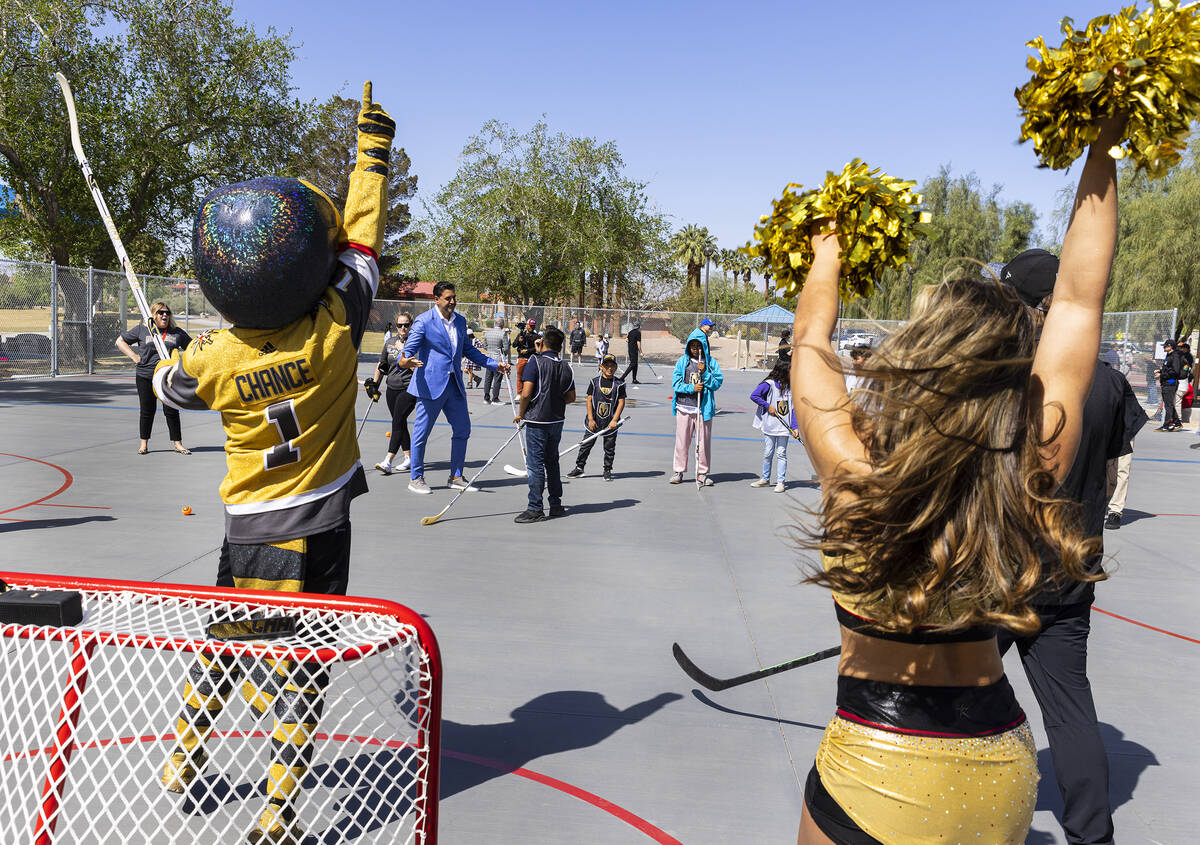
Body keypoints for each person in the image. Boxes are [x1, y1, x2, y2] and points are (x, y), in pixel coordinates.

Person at [790, 114, 1121, 845]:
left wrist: (828, 250)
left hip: (878, 764)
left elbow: (810, 341)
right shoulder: (1028, 473)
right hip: (996, 763)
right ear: (1014, 377)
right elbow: (1075, 302)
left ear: (916, 358)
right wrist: (1104, 146)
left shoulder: (854, 477)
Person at [152, 82, 394, 842]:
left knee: (229, 642)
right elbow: (360, 246)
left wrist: (166, 355)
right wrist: (372, 157)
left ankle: (186, 754)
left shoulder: (214, 360)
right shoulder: (333, 330)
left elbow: (170, 383)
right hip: (318, 524)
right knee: (304, 663)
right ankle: (278, 807)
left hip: (248, 527)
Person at [997, 248, 1146, 844]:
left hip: (1002, 568)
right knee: (1070, 710)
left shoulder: (1010, 374)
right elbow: (1109, 474)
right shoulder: (1107, 382)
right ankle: (1092, 834)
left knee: (955, 691)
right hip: (1074, 563)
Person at [404, 283, 511, 494]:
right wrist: (404, 361)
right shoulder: (424, 321)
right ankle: (416, 478)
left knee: (463, 429)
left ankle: (456, 476)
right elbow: (409, 349)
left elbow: (468, 350)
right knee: (421, 433)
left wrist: (493, 364)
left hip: (454, 385)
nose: (452, 301)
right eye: (447, 298)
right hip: (430, 386)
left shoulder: (460, 322)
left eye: (454, 297)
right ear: (436, 299)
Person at [513, 327, 576, 523]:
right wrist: (554, 402)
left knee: (535, 465)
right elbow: (571, 397)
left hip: (537, 420)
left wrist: (521, 413)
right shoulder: (566, 367)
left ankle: (535, 508)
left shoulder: (536, 362)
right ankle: (555, 504)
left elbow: (526, 393)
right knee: (552, 461)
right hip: (556, 420)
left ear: (543, 343)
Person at [116, 301, 192, 455]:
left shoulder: (176, 333)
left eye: (167, 313)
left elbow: (192, 348)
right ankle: (143, 445)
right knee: (147, 410)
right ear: (153, 315)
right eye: (160, 312)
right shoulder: (142, 330)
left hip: (168, 378)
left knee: (171, 410)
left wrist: (183, 366)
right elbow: (120, 341)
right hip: (145, 376)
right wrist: (134, 356)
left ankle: (178, 444)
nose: (164, 315)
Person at [367, 311, 418, 475]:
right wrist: (375, 384)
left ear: (411, 325)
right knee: (400, 423)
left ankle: (388, 460)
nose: (403, 328)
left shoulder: (416, 343)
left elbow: (416, 367)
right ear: (396, 326)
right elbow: (382, 364)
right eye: (400, 325)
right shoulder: (390, 342)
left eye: (406, 325)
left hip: (409, 388)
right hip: (392, 387)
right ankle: (409, 458)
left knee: (397, 421)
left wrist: (403, 351)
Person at [670, 328, 723, 485]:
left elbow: (717, 383)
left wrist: (705, 372)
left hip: (703, 409)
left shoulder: (711, 363)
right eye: (692, 346)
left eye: (699, 345)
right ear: (688, 347)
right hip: (684, 407)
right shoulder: (682, 362)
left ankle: (702, 473)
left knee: (703, 443)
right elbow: (676, 383)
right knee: (682, 441)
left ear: (704, 346)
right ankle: (678, 471)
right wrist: (691, 388)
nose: (696, 349)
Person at [568, 352, 626, 481]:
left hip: (610, 422)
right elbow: (589, 400)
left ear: (616, 367)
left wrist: (615, 420)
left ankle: (607, 470)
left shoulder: (619, 384)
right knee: (586, 445)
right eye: (606, 366)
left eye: (612, 366)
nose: (609, 368)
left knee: (609, 448)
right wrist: (590, 419)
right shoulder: (594, 382)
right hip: (594, 421)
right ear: (601, 367)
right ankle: (579, 468)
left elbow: (621, 402)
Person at [750, 357, 793, 492]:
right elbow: (754, 395)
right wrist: (767, 406)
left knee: (781, 453)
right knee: (768, 452)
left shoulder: (790, 388)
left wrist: (795, 427)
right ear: (783, 371)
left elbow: (793, 408)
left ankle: (781, 482)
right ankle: (765, 478)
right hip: (770, 425)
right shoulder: (768, 384)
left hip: (784, 427)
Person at [1154, 338, 1182, 431]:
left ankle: (1166, 426)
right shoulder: (1169, 355)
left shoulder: (1175, 356)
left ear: (1170, 346)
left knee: (1168, 405)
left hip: (1171, 382)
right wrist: (1160, 371)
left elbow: (1175, 371)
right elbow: (1168, 369)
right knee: (1169, 404)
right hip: (1166, 382)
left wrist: (1161, 375)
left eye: (1165, 346)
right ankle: (1177, 423)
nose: (1164, 348)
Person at [482, 315, 510, 405]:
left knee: (488, 378)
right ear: (502, 324)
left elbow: (484, 345)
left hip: (489, 358)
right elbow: (506, 348)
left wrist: (490, 351)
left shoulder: (488, 333)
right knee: (497, 379)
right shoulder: (503, 334)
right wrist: (503, 355)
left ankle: (486, 398)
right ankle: (495, 398)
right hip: (498, 359)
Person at [514, 318, 538, 393]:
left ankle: (529, 392)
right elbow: (514, 345)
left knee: (531, 377)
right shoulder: (521, 335)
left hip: (531, 359)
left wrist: (527, 350)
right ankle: (519, 393)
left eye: (533, 326)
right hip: (521, 358)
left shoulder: (536, 336)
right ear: (527, 325)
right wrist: (519, 341)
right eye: (530, 326)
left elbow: (537, 349)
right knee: (520, 377)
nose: (532, 327)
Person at [619, 320, 643, 386]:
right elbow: (638, 342)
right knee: (633, 364)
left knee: (635, 364)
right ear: (639, 326)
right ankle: (622, 378)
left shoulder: (630, 332)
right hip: (634, 350)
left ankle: (634, 379)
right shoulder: (638, 333)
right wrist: (641, 352)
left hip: (630, 350)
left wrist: (631, 342)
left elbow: (627, 339)